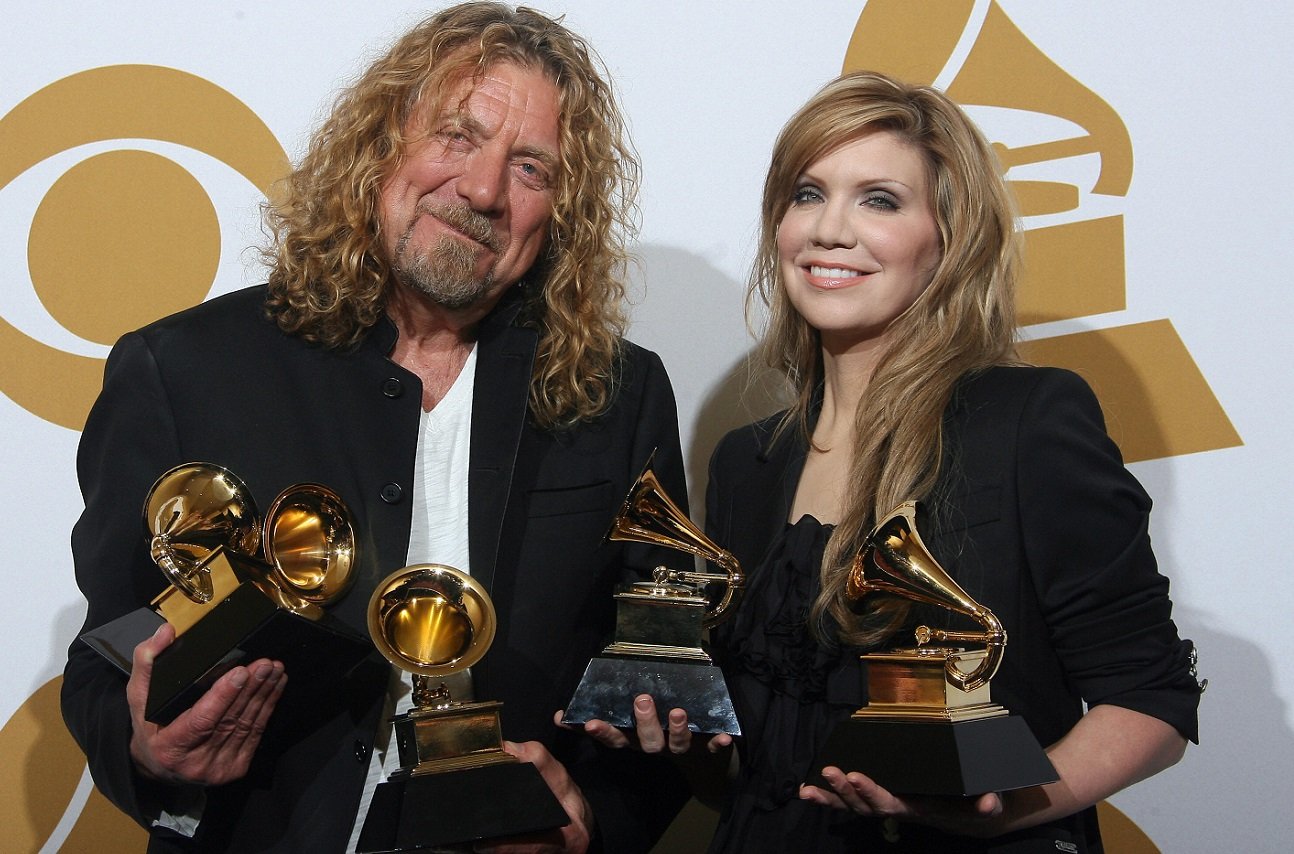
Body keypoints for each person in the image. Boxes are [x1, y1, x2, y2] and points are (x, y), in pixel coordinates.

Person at [60, 4, 691, 852]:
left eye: (531, 168)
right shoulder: (184, 370)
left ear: (561, 213)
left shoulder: (620, 394)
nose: (483, 191)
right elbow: (107, 660)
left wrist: (594, 822)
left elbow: (661, 684)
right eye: (458, 135)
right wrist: (148, 750)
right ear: (383, 139)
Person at [607, 71, 1203, 852]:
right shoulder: (747, 463)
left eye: (880, 200)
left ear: (948, 242)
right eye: (808, 194)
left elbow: (1152, 703)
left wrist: (999, 809)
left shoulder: (1026, 424)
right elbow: (751, 774)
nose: (830, 230)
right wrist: (686, 746)